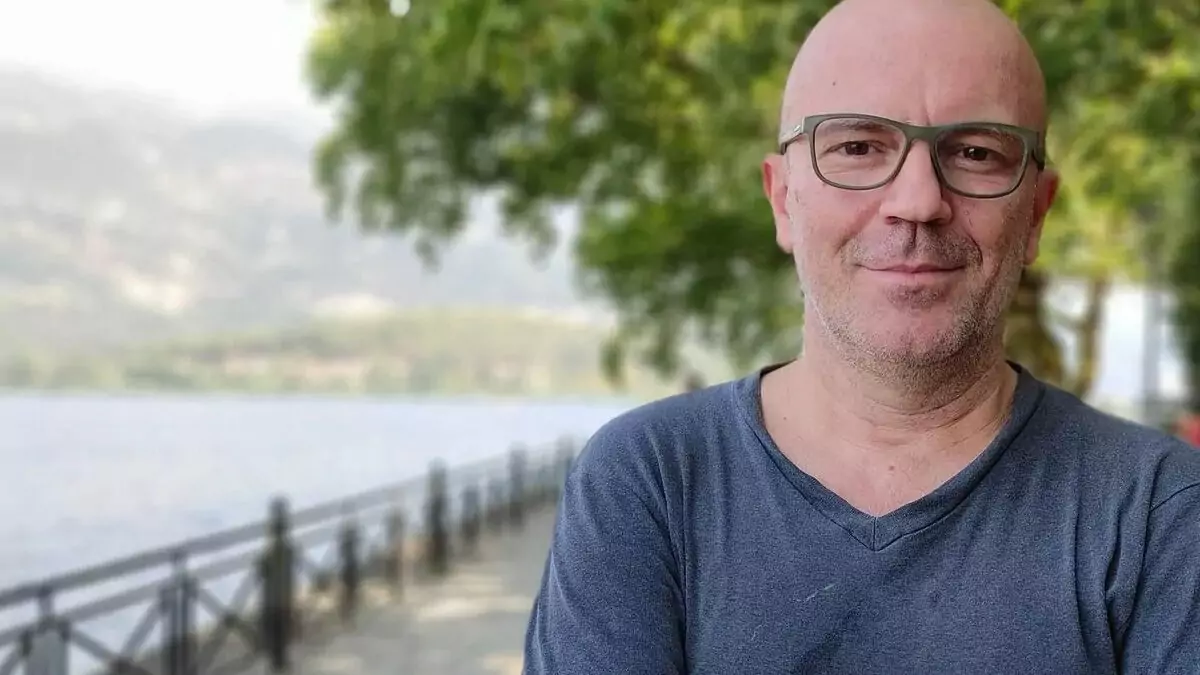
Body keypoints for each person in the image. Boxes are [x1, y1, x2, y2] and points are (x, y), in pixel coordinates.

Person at [522, 0, 1200, 672]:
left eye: (975, 153)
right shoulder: (646, 483)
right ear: (782, 199)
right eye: (857, 147)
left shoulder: (1159, 512)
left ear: (1036, 215)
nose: (918, 202)